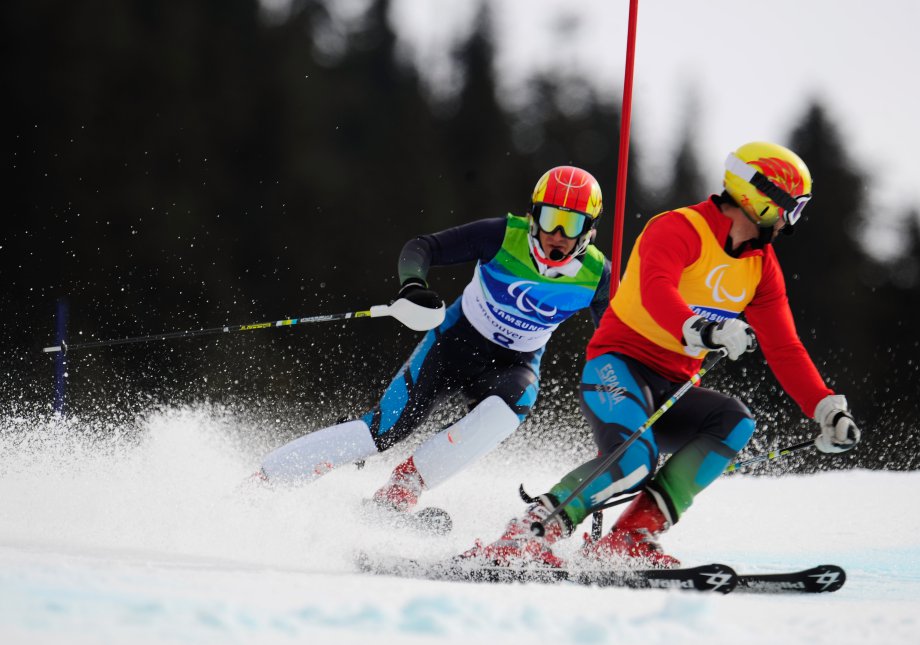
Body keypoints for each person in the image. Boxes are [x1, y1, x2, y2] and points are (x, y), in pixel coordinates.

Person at [462, 141, 862, 569]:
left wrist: (824, 407)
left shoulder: (761, 266)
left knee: (734, 422)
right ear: (761, 198)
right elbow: (657, 290)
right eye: (792, 208)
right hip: (617, 367)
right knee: (635, 459)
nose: (790, 221)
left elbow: (784, 346)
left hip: (673, 385)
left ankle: (632, 536)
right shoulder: (678, 228)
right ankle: (527, 535)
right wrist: (705, 330)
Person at [256, 166, 612, 515]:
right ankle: (264, 482)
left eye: (573, 223)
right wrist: (413, 286)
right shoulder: (503, 236)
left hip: (514, 366)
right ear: (533, 216)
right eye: (550, 218)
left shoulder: (597, 277)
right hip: (455, 344)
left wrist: (617, 378)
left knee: (510, 410)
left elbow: (615, 340)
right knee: (382, 431)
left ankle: (402, 489)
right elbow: (422, 247)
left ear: (590, 231)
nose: (558, 233)